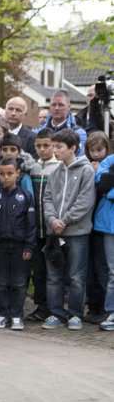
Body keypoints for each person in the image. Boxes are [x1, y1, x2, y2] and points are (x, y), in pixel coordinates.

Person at [41, 129, 96, 330]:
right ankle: (56, 313)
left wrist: (64, 220)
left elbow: (85, 201)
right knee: (53, 276)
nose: (55, 150)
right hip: (55, 233)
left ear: (73, 148)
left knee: (76, 276)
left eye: (59, 147)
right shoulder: (55, 172)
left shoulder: (86, 171)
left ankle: (75, 314)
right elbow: (47, 198)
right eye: (54, 146)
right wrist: (52, 220)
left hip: (77, 233)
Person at [0, 158, 36, 330]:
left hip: (19, 246)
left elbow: (31, 224)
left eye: (9, 173)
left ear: (17, 174)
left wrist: (29, 246)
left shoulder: (25, 196)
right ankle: (2, 314)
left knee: (19, 282)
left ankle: (16, 315)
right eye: (2, 174)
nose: (5, 177)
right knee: (0, 282)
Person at [26, 129, 60, 322]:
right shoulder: (33, 168)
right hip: (35, 228)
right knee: (38, 271)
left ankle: (55, 307)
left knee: (53, 270)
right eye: (38, 146)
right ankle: (41, 306)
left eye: (46, 145)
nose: (42, 149)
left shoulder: (58, 167)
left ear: (53, 145)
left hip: (52, 229)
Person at [84, 131, 111, 322]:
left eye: (99, 150)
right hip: (90, 223)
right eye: (92, 150)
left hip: (103, 223)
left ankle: (104, 307)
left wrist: (98, 173)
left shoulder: (108, 166)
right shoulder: (86, 165)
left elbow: (104, 188)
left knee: (104, 268)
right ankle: (94, 306)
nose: (96, 154)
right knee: (91, 267)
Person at [94, 151, 114, 331]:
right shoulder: (109, 160)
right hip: (109, 225)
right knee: (113, 272)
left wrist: (110, 186)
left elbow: (108, 186)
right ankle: (112, 312)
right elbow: (101, 182)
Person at [40, 91, 87, 156]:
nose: (56, 108)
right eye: (53, 105)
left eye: (61, 105)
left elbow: (79, 157)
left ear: (69, 107)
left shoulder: (78, 133)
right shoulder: (40, 132)